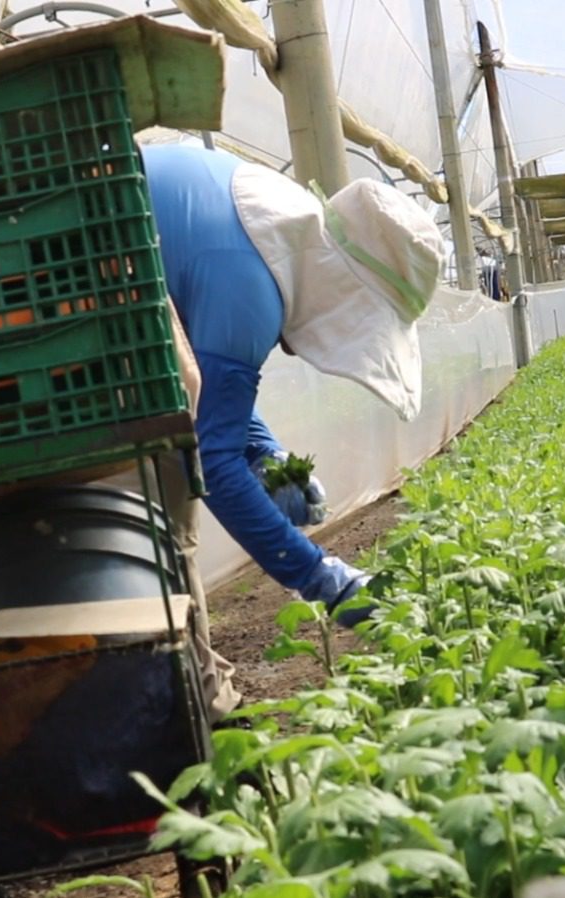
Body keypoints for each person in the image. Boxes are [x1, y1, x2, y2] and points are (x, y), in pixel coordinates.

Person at [141, 144, 445, 724]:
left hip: (108, 283)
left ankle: (192, 690)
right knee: (171, 509)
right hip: (67, 299)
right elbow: (210, 460)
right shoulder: (248, 288)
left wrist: (267, 451)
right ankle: (191, 704)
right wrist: (318, 575)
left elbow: (207, 387)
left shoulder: (271, 221)